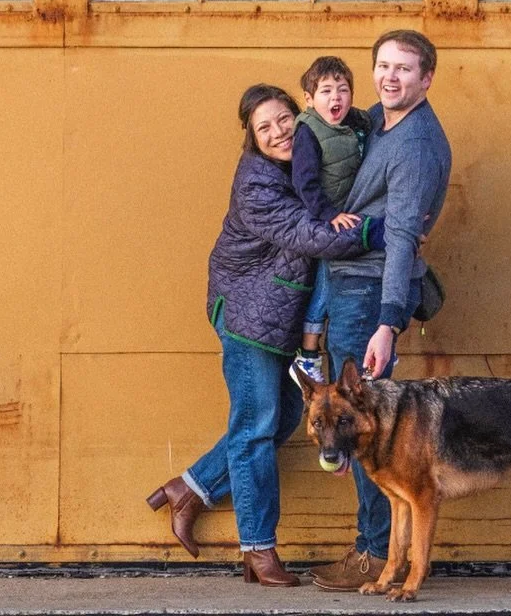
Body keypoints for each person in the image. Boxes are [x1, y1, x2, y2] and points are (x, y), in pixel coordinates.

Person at [145, 84, 384, 587]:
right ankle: (258, 551)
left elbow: (348, 122)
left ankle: (188, 488)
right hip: (249, 313)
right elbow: (308, 234)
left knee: (279, 421)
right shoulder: (256, 182)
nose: (277, 133)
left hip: (279, 314)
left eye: (283, 120)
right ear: (252, 139)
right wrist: (374, 232)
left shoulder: (306, 159)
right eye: (264, 128)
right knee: (256, 428)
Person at [310, 31, 451, 593]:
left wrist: (387, 323)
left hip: (368, 294)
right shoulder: (378, 121)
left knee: (359, 429)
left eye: (405, 69)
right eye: (383, 66)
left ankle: (373, 553)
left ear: (427, 79)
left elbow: (401, 239)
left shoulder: (415, 145)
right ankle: (376, 548)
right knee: (357, 428)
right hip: (347, 284)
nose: (390, 78)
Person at [289, 55, 370, 386]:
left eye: (343, 89)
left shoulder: (355, 122)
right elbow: (304, 182)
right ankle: (307, 356)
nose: (335, 98)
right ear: (309, 100)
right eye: (325, 91)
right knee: (324, 285)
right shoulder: (308, 132)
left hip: (347, 217)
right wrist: (329, 214)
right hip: (326, 222)